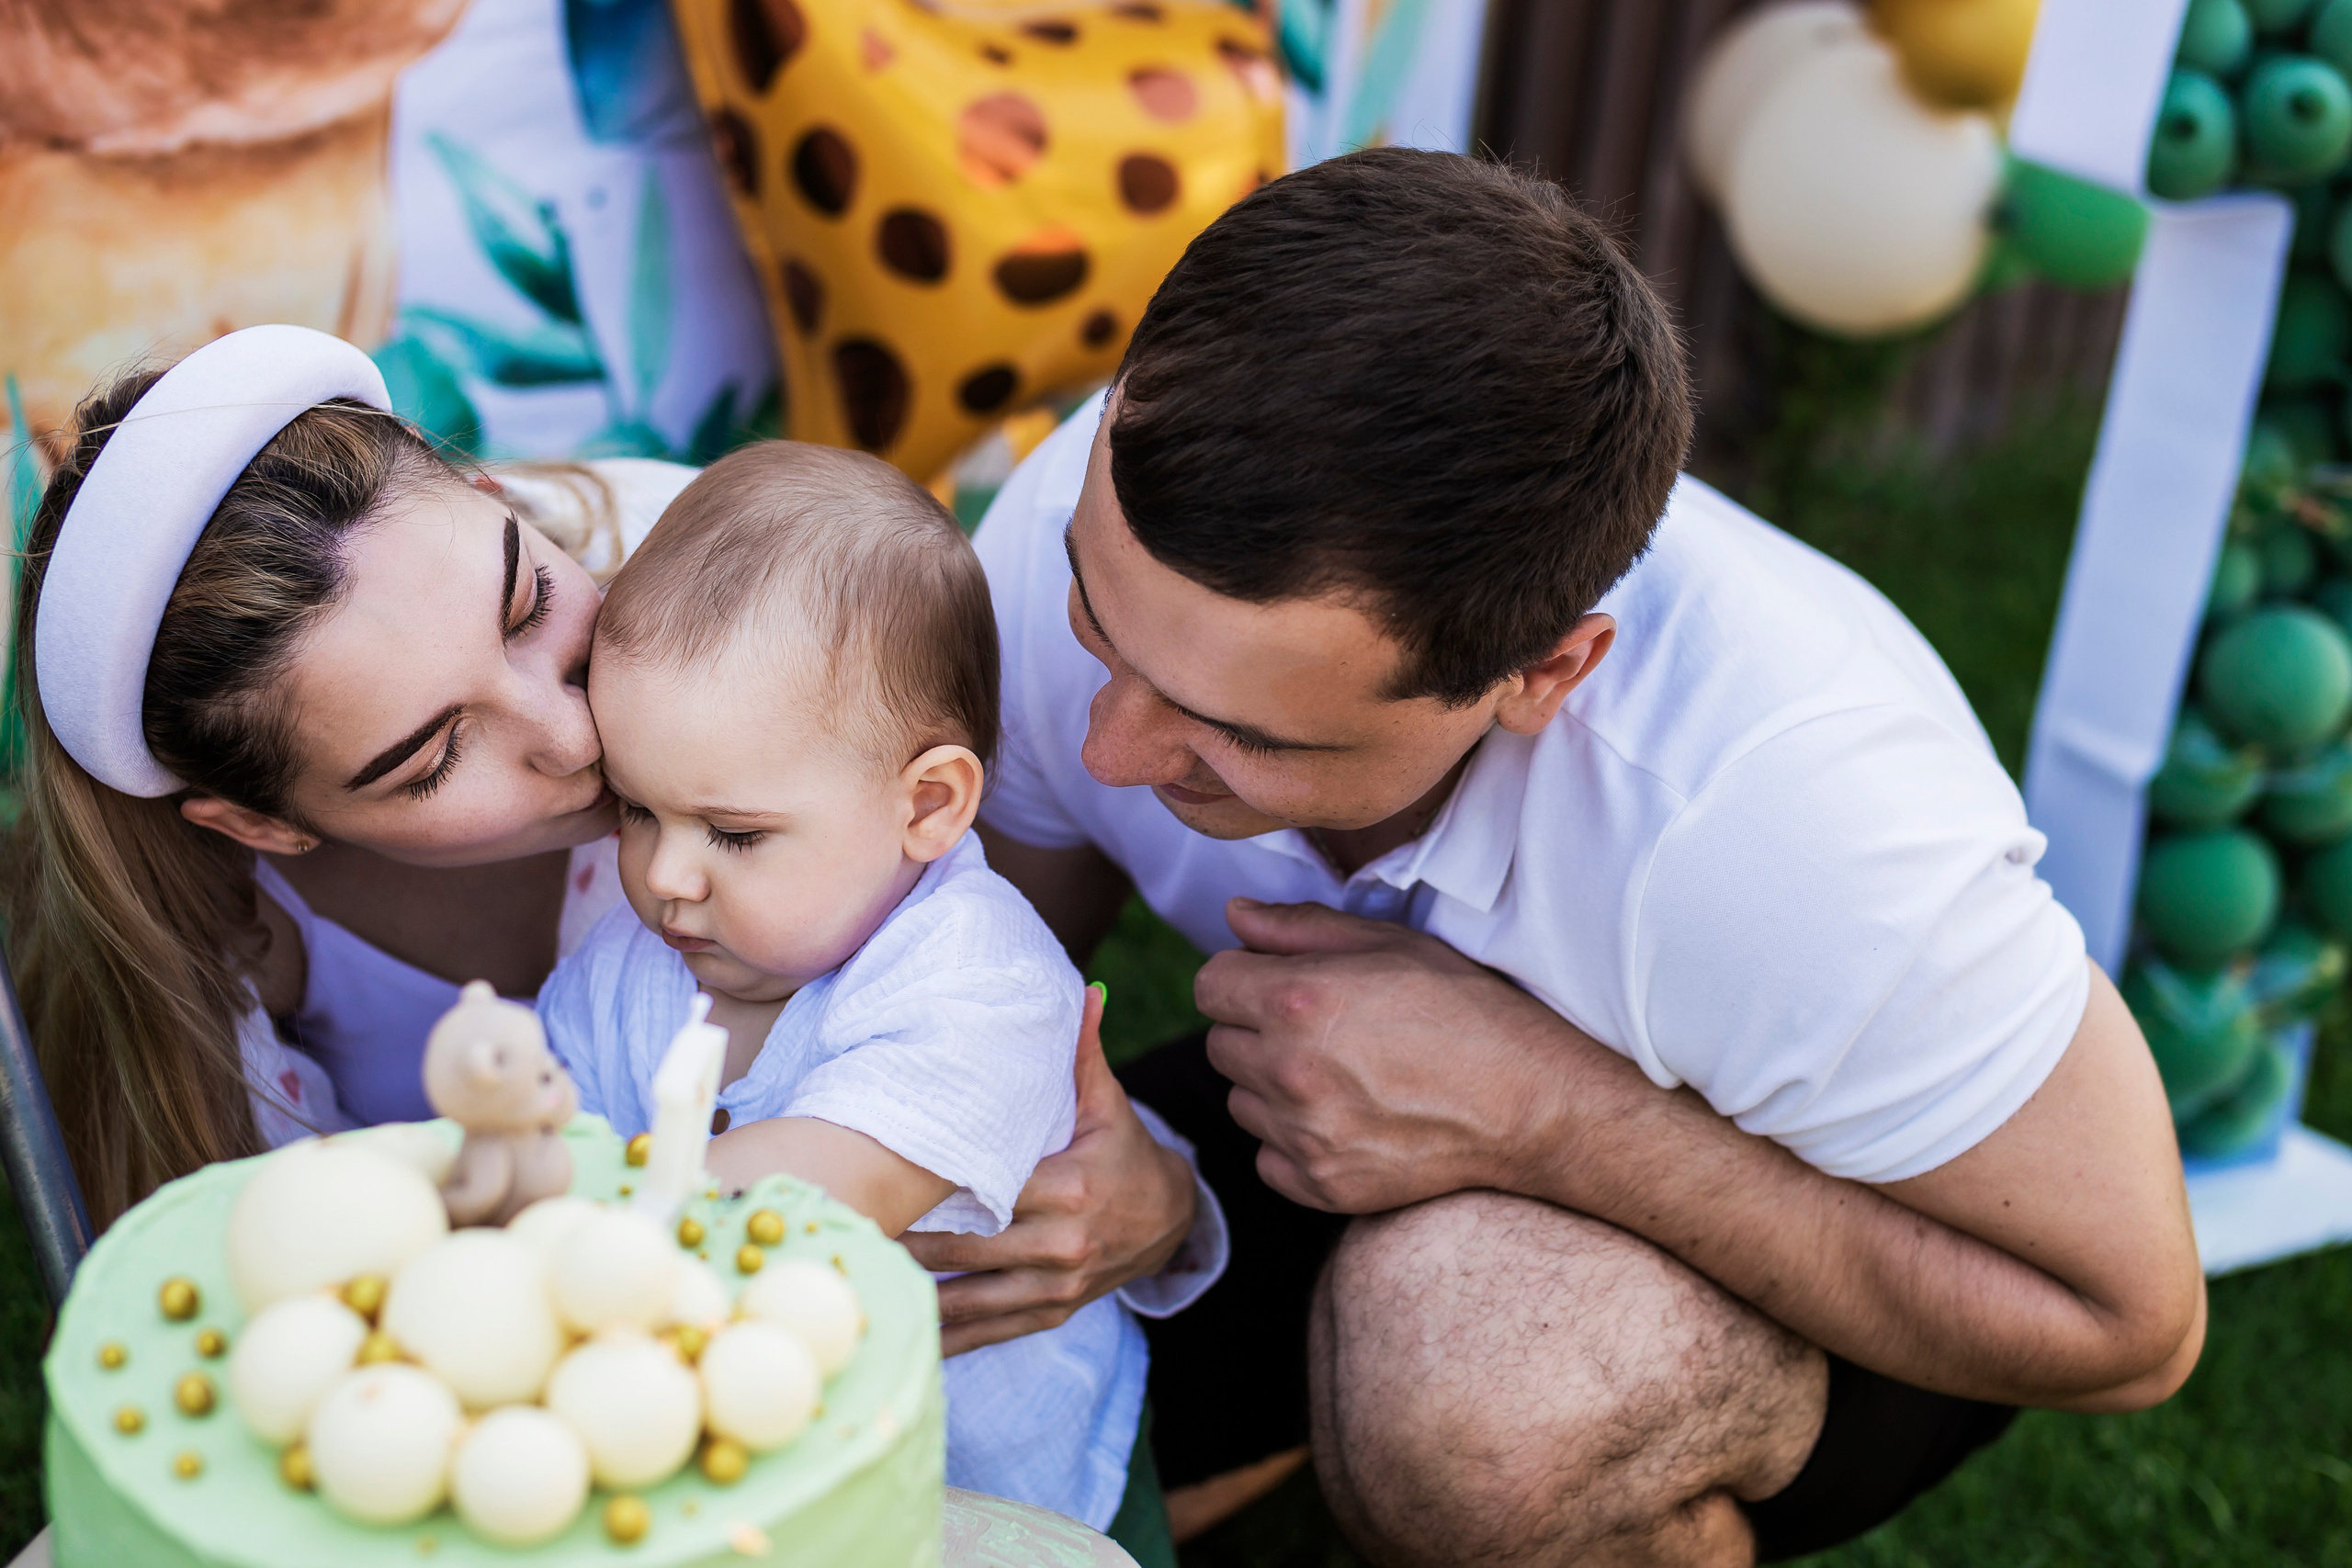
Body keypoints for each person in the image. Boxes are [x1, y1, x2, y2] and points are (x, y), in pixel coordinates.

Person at [955, 148, 2205, 1562]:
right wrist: (1141, 1187)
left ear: (1544, 672)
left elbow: (2129, 1324)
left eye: (1237, 730)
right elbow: (969, 987)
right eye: (1098, 625)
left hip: (1860, 1252)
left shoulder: (1792, 829)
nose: (1106, 747)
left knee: (1480, 1402)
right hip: (1344, 1108)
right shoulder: (1091, 519)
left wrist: (1546, 1111)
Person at [4, 330, 1217, 1500]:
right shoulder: (236, 963)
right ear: (260, 825)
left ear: (497, 496)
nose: (579, 732)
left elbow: (906, 1064)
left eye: (530, 602)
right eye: (432, 756)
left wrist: (1160, 1201)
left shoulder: (746, 603)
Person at [537, 441, 1147, 1533]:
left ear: (926, 806)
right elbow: (549, 1135)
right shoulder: (630, 965)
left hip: (994, 1477)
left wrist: (549, 1241)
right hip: (740, 1454)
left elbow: (810, 1198)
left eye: (733, 832)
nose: (665, 876)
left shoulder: (977, 984)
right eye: (636, 810)